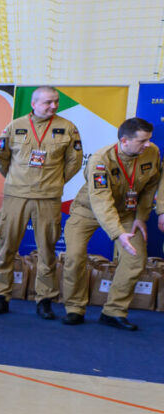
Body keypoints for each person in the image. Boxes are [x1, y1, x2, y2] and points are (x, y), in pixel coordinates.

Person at [0, 86, 83, 318]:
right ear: (34, 103)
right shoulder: (15, 126)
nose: (53, 106)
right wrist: (15, 180)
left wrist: (56, 181)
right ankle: (1, 295)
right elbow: (1, 159)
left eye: (56, 102)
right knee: (6, 247)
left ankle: (44, 299)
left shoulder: (67, 128)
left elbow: (74, 161)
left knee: (47, 249)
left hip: (48, 197)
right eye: (48, 102)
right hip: (16, 196)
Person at [61, 117, 162, 330]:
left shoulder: (151, 152)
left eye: (149, 140)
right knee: (74, 256)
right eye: (142, 141)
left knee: (136, 259)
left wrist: (141, 218)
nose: (148, 145)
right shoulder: (101, 160)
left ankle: (114, 310)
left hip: (126, 212)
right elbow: (101, 201)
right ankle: (75, 308)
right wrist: (118, 233)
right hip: (87, 211)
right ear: (124, 141)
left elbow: (152, 184)